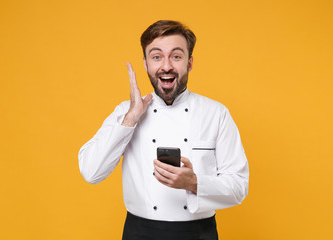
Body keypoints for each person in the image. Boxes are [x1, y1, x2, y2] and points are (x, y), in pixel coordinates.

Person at [78, 20, 249, 240]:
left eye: (176, 56)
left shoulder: (216, 113)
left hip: (198, 234)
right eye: (156, 56)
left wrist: (194, 183)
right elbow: (91, 172)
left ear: (189, 63)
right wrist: (130, 119)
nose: (166, 66)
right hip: (139, 233)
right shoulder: (126, 112)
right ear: (146, 63)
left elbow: (239, 186)